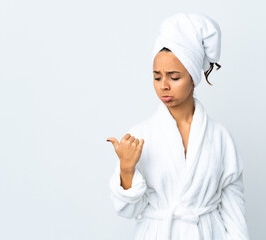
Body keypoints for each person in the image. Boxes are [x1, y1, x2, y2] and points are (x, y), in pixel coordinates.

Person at [106, 12, 250, 240]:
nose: (164, 86)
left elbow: (234, 214)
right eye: (157, 77)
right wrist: (127, 169)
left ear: (193, 77)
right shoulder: (140, 135)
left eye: (174, 77)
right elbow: (129, 210)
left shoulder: (220, 138)